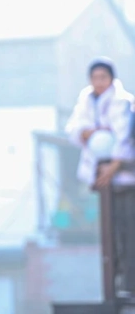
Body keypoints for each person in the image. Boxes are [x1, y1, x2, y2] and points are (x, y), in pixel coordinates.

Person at [67, 57, 135, 297]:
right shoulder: (85, 101)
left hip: (126, 179)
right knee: (111, 236)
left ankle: (129, 285)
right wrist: (90, 132)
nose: (99, 82)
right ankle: (118, 284)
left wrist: (114, 165)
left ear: (112, 78)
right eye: (95, 77)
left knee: (129, 234)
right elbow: (75, 130)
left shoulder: (123, 102)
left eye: (103, 77)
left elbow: (124, 135)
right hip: (102, 178)